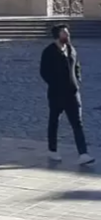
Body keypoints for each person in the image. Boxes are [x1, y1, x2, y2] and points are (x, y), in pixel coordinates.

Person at [40, 24, 95, 166]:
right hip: (56, 93)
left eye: (67, 32)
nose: (68, 35)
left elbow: (77, 67)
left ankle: (83, 153)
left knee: (77, 123)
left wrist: (77, 81)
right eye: (64, 33)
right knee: (54, 121)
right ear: (58, 35)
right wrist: (55, 84)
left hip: (72, 93)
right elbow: (44, 71)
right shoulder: (49, 51)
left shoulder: (71, 49)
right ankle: (52, 150)